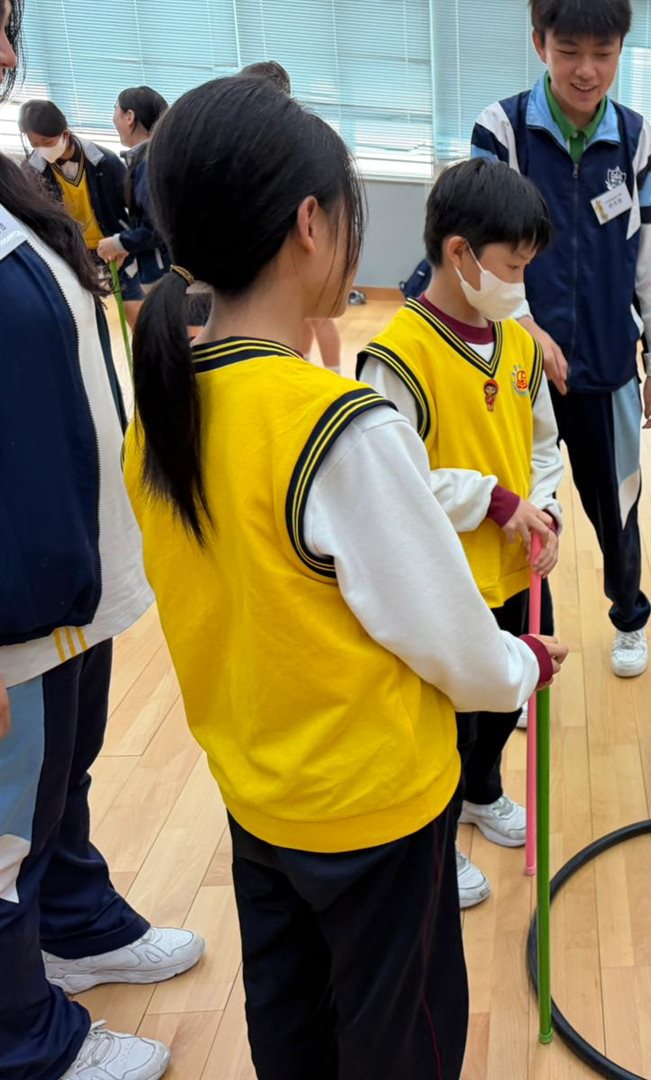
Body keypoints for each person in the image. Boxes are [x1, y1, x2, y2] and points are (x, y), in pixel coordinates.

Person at [122, 75, 566, 1078]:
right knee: (400, 1039)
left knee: (294, 1026)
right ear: (311, 225)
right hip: (374, 808)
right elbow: (450, 638)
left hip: (258, 794)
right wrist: (523, 665)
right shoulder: (339, 429)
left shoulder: (164, 409)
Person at [0, 3, 203, 1077]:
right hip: (13, 602)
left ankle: (73, 924)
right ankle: (23, 1038)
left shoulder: (12, 185)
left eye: (6, 23)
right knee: (3, 827)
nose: (4, 53)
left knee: (60, 778)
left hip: (69, 569)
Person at [356, 159, 563, 908]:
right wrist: (495, 501)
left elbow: (544, 443)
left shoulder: (519, 345)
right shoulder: (397, 355)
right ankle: (437, 837)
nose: (520, 282)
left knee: (506, 693)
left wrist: (545, 505)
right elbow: (393, 478)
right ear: (459, 253)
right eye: (513, 265)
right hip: (444, 581)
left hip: (514, 571)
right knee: (448, 716)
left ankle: (482, 792)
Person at [472, 0, 651, 679]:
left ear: (621, 49)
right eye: (569, 52)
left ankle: (630, 617)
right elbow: (476, 244)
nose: (586, 70)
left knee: (618, 507)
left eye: (603, 53)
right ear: (539, 43)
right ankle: (529, 646)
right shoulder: (502, 129)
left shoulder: (636, 138)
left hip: (608, 364)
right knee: (525, 511)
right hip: (516, 366)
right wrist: (524, 324)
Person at [237, 58, 346, 374]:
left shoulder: (303, 135)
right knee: (302, 314)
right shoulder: (250, 138)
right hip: (280, 235)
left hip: (310, 233)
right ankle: (302, 364)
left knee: (317, 314)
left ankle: (334, 374)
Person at [18, 98, 139, 311]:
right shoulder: (32, 171)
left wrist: (125, 243)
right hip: (73, 253)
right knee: (87, 312)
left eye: (46, 142)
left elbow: (135, 206)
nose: (41, 150)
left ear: (65, 134)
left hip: (112, 245)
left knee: (132, 307)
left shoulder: (105, 162)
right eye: (35, 144)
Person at [98, 85, 169, 329]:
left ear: (129, 116)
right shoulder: (159, 155)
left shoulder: (148, 163)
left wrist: (118, 243)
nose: (113, 118)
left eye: (115, 110)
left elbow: (156, 228)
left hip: (164, 274)